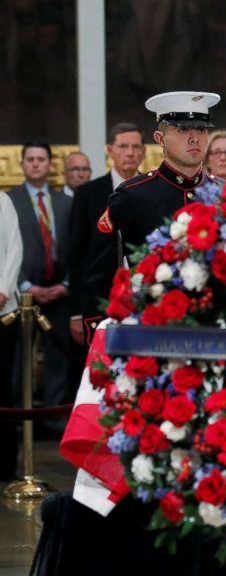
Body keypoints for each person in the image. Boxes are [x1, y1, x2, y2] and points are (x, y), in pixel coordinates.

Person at [77, 92, 221, 335]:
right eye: (183, 130)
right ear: (159, 138)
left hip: (219, 322)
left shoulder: (225, 193)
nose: (194, 137)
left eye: (200, 129)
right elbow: (101, 269)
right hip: (152, 326)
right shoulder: (133, 195)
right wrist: (98, 327)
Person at [10, 142, 74, 433]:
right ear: (22, 164)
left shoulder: (65, 202)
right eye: (30, 159)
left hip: (60, 291)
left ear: (50, 165)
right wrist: (24, 284)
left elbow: (77, 246)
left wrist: (65, 283)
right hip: (21, 293)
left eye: (41, 159)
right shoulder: (10, 201)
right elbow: (6, 248)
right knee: (19, 362)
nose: (36, 164)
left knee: (58, 360)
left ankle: (54, 420)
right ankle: (20, 422)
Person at [67, 122, 145, 342]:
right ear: (110, 150)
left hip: (146, 297)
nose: (129, 153)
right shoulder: (87, 194)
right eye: (122, 146)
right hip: (100, 299)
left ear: (144, 151)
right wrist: (76, 312)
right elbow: (77, 254)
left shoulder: (154, 189)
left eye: (135, 146)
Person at [0, 189, 22, 480]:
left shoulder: (3, 201)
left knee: (3, 388)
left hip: (4, 310)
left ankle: (4, 463)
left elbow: (14, 248)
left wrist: (4, 289)